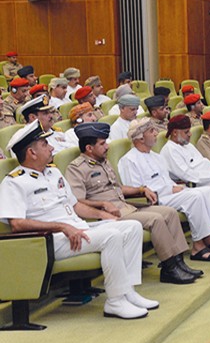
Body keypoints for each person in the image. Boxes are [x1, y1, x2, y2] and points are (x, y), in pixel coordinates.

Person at [0, 121, 158, 319]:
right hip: (50, 240)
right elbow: (17, 224)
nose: (51, 148)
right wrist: (62, 226)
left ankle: (128, 291)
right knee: (111, 237)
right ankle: (115, 301)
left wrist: (102, 215)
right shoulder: (14, 182)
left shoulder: (53, 172)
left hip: (76, 229)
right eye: (44, 145)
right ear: (31, 153)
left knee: (132, 227)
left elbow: (75, 206)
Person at [65, 122, 201, 285]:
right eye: (102, 144)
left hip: (125, 205)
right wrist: (103, 204)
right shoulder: (76, 168)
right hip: (111, 214)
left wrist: (141, 189)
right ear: (89, 148)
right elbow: (77, 200)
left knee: (169, 212)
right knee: (156, 219)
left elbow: (118, 188)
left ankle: (179, 263)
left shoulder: (104, 161)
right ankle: (169, 267)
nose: (107, 146)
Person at [118, 118, 210, 262]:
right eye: (151, 131)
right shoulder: (128, 160)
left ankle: (208, 238)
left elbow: (165, 178)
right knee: (195, 197)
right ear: (140, 138)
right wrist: (169, 189)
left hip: (171, 192)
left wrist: (172, 187)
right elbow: (137, 190)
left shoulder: (155, 156)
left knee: (208, 191)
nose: (156, 133)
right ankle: (198, 247)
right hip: (156, 199)